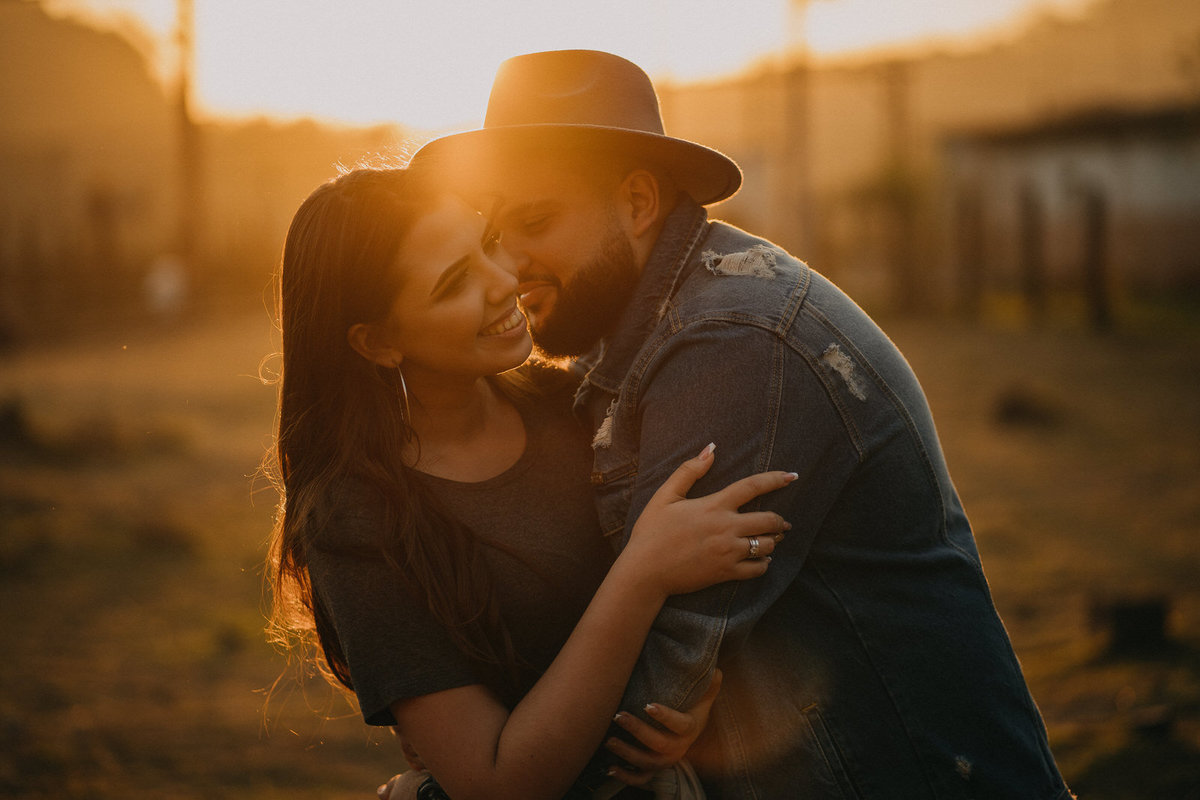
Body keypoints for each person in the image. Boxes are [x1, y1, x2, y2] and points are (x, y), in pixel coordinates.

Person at [411, 49, 1074, 799]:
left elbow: (645, 695)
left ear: (636, 203)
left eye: (535, 221)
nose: (510, 263)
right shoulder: (617, 336)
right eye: (495, 232)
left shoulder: (735, 342)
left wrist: (443, 789)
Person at [264, 164, 795, 800]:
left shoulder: (576, 405)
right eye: (455, 283)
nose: (504, 281)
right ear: (378, 342)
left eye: (487, 243)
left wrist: (688, 701)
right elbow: (497, 783)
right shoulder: (356, 517)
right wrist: (643, 573)